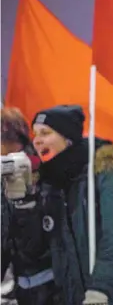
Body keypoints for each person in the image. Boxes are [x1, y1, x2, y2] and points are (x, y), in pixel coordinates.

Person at [17, 104, 113, 305]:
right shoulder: (48, 185)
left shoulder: (103, 174)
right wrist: (22, 205)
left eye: (45, 132)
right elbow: (37, 249)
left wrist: (100, 289)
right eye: (35, 134)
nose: (36, 140)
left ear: (67, 138)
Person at [1, 107, 64, 304]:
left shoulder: (41, 168)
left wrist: (24, 204)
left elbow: (38, 240)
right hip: (23, 281)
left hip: (49, 284)